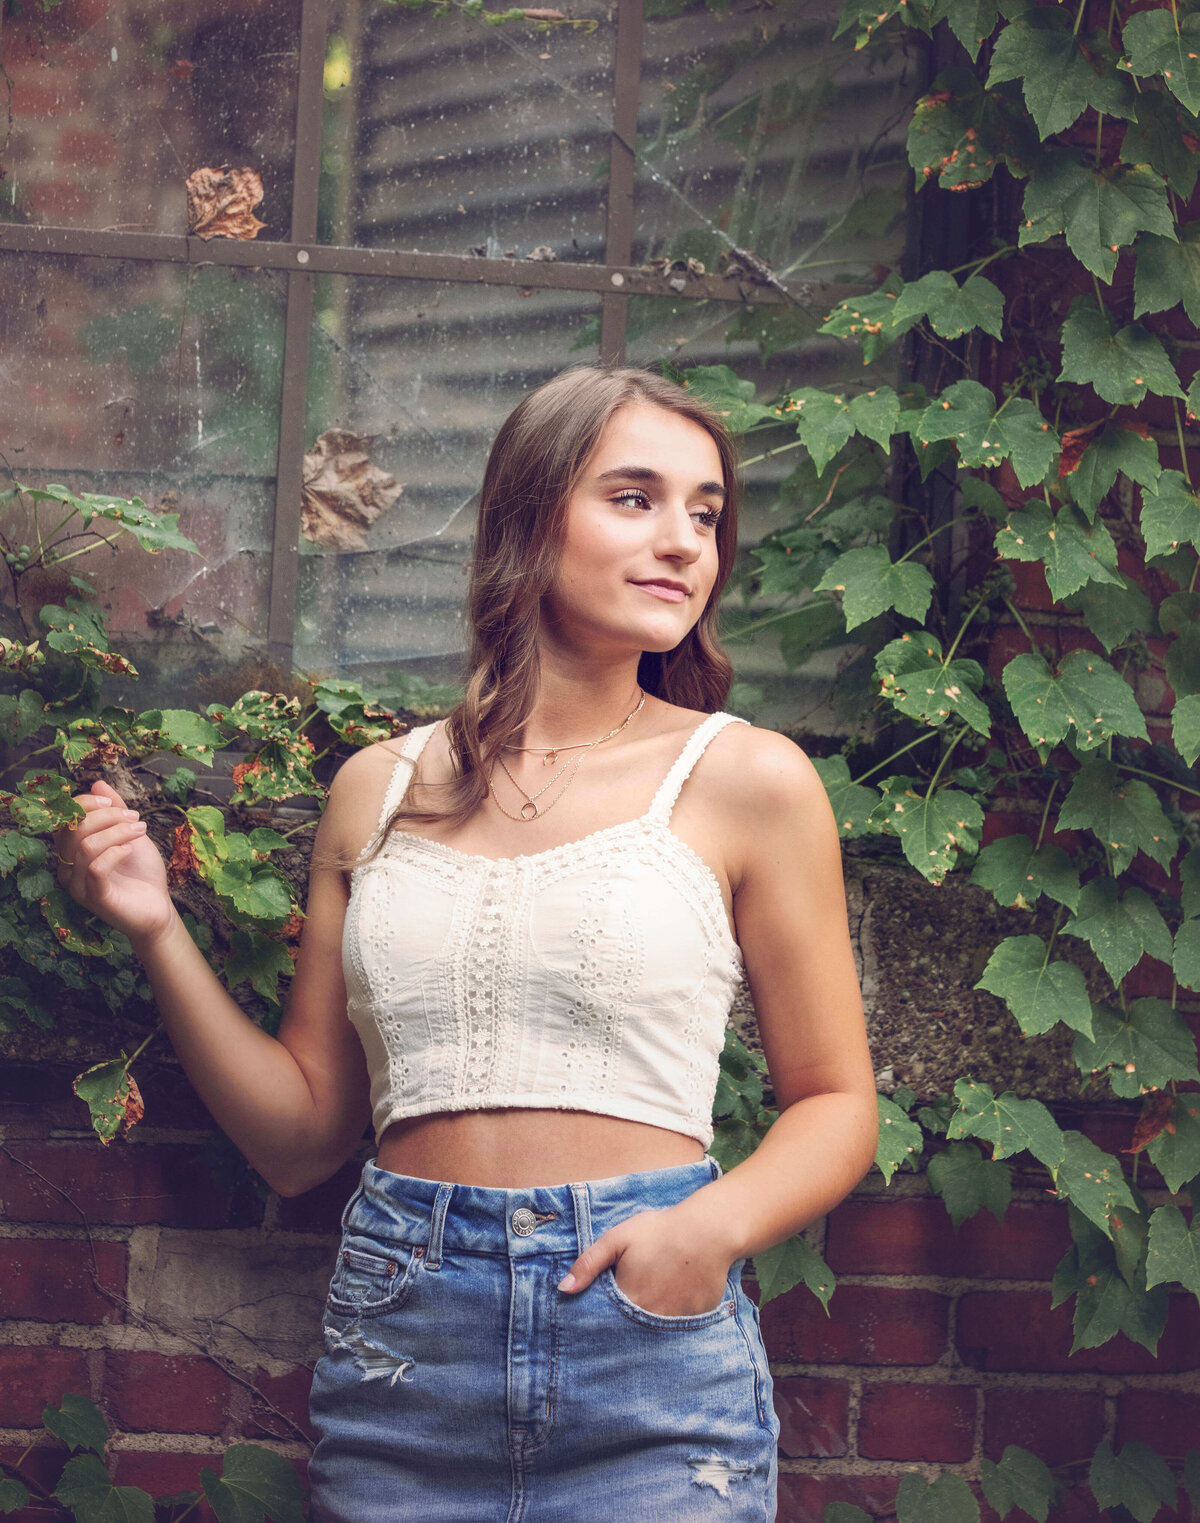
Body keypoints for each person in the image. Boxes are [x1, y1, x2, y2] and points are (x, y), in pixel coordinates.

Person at [53, 363, 876, 1521]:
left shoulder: (747, 778)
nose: (686, 541)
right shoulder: (374, 791)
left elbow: (838, 1101)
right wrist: (153, 925)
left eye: (706, 512)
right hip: (404, 1341)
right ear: (530, 517)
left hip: (644, 1336)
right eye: (635, 497)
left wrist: (703, 1233)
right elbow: (299, 1139)